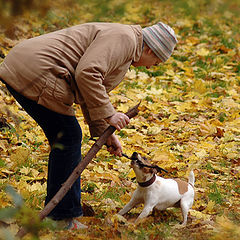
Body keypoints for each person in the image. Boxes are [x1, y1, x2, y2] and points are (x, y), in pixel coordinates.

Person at [0, 22, 177, 229]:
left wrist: (105, 132)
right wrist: (110, 113)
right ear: (149, 49)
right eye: (155, 62)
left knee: (66, 136)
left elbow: (87, 87)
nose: (149, 67)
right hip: (37, 69)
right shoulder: (125, 39)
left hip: (29, 66)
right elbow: (88, 73)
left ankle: (61, 215)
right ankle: (62, 218)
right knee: (69, 136)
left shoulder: (128, 44)